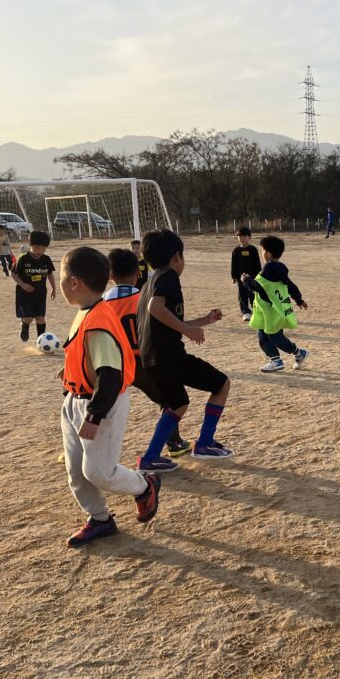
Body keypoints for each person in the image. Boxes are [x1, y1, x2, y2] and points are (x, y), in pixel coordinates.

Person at [58, 246, 161, 547]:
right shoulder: (86, 312)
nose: (60, 282)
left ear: (74, 282)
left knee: (99, 472)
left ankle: (144, 485)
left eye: (62, 277)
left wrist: (94, 415)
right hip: (75, 401)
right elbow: (88, 356)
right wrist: (71, 370)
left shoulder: (99, 320)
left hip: (100, 404)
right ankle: (100, 519)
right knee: (77, 472)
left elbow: (111, 375)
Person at [137, 229, 233, 467]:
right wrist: (189, 332)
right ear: (176, 256)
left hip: (151, 359)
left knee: (178, 404)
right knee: (221, 384)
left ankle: (149, 459)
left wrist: (204, 320)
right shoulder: (168, 276)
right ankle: (205, 443)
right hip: (169, 357)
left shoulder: (148, 283)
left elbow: (164, 320)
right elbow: (155, 308)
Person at [104, 248, 191, 457]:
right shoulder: (144, 298)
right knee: (169, 401)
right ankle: (174, 442)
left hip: (113, 363)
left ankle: (77, 448)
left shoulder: (102, 303)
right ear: (137, 274)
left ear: (110, 275)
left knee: (97, 403)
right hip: (143, 362)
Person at [242, 235, 308, 372]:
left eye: (262, 251)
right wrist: (299, 300)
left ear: (268, 253)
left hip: (272, 310)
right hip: (266, 310)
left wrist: (246, 280)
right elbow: (290, 286)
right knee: (263, 335)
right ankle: (275, 360)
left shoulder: (268, 268)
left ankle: (299, 353)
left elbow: (258, 286)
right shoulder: (280, 268)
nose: (262, 254)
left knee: (274, 336)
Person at [13, 230, 56, 343]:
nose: (39, 251)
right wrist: (23, 285)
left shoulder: (46, 259)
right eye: (37, 248)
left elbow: (50, 274)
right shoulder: (23, 258)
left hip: (40, 294)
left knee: (40, 318)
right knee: (28, 318)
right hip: (24, 295)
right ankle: (24, 326)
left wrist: (53, 288)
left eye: (43, 249)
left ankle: (41, 341)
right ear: (30, 244)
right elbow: (13, 274)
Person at [230, 226, 261, 322]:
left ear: (249, 237)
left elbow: (257, 264)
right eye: (240, 236)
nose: (242, 238)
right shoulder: (236, 251)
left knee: (253, 294)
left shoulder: (253, 250)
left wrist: (259, 276)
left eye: (244, 236)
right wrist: (233, 276)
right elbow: (233, 264)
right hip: (240, 278)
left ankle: (255, 311)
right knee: (242, 295)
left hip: (252, 278)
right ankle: (246, 312)